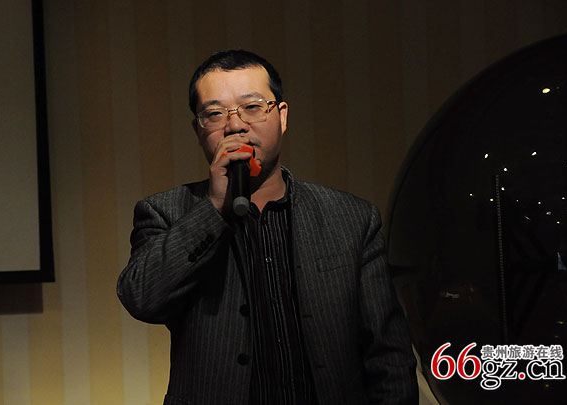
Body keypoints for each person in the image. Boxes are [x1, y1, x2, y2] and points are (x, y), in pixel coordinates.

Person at [117, 50, 417, 405]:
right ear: (198, 130)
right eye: (214, 114)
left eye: (252, 107)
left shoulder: (351, 218)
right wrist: (214, 207)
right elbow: (141, 298)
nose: (235, 126)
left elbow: (389, 358)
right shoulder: (164, 212)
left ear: (282, 116)